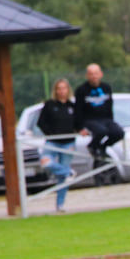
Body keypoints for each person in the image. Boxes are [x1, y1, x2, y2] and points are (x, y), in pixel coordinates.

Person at [37, 78, 76, 212]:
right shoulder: (49, 105)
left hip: (68, 143)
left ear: (68, 89)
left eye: (64, 88)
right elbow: (41, 123)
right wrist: (51, 134)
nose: (61, 91)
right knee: (46, 162)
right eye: (59, 88)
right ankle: (68, 172)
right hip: (53, 142)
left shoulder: (72, 106)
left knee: (62, 179)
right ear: (55, 90)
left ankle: (60, 205)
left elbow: (78, 123)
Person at [74, 64, 124, 161]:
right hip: (90, 119)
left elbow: (109, 106)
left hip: (105, 119)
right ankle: (92, 146)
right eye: (91, 74)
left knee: (118, 133)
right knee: (101, 131)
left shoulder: (106, 87)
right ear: (87, 76)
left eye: (96, 74)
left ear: (101, 74)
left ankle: (103, 147)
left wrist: (111, 122)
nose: (94, 76)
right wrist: (79, 127)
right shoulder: (81, 90)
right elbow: (78, 110)